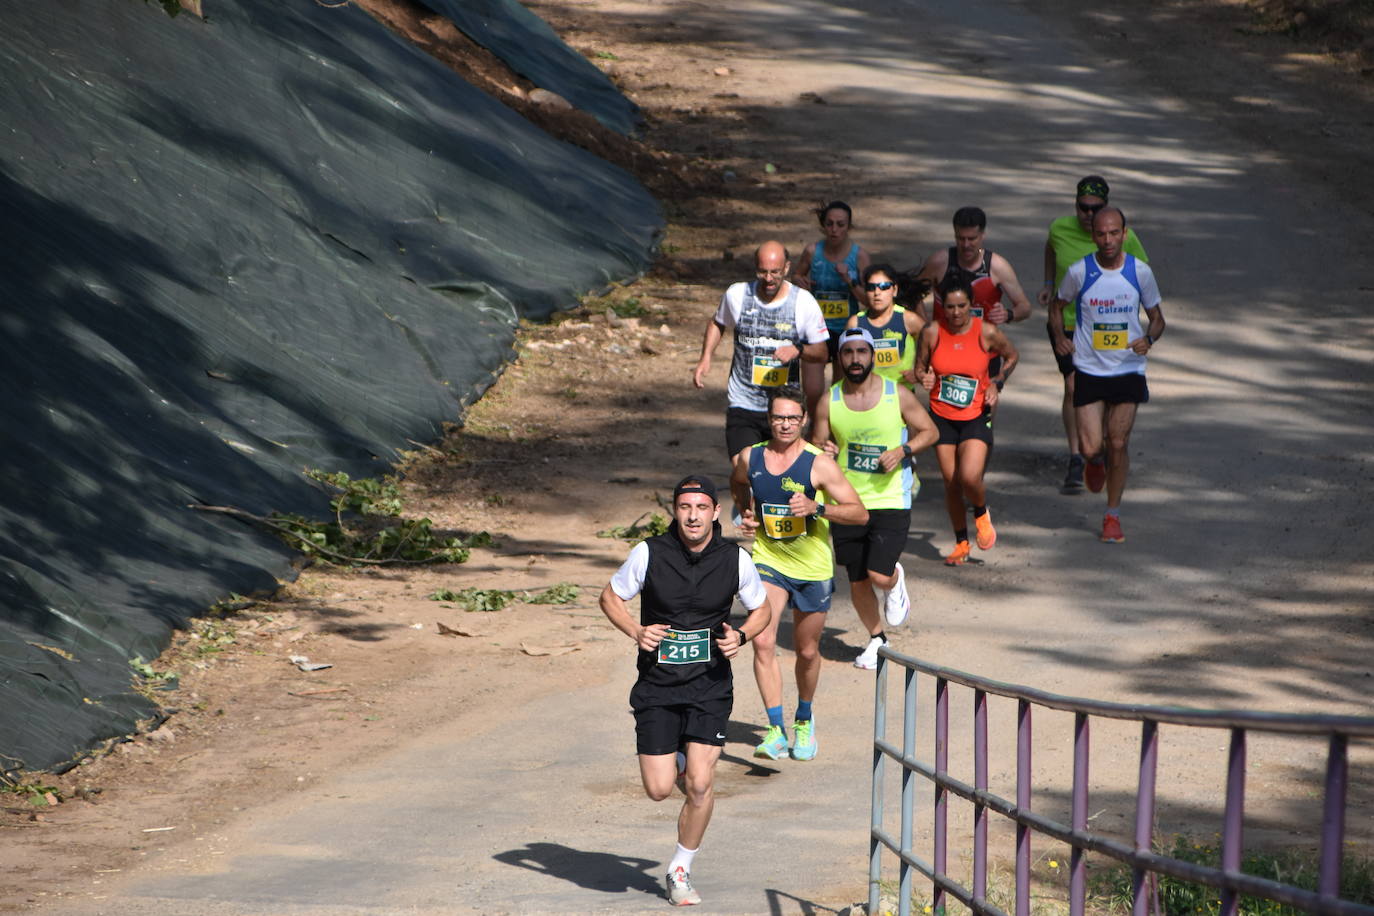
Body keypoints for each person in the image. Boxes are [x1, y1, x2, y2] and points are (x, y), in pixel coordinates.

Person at [599, 474, 772, 907]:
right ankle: (676, 755)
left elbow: (762, 608)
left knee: (699, 783)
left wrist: (743, 636)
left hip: (709, 685)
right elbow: (609, 597)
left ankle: (680, 868)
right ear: (675, 511)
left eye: (701, 508)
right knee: (659, 789)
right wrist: (636, 631)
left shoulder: (735, 559)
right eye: (684, 507)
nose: (692, 516)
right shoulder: (649, 553)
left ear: (715, 512)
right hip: (657, 686)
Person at [729, 385, 868, 762]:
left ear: (804, 419)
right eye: (778, 417)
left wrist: (816, 509)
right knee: (762, 640)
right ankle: (774, 730)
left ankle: (804, 719)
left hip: (812, 567)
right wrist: (745, 512)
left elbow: (859, 512)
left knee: (807, 651)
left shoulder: (818, 463)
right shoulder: (750, 456)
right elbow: (737, 481)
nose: (785, 424)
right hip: (769, 561)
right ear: (768, 419)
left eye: (793, 417)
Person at [811, 328, 939, 669]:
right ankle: (877, 638)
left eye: (861, 352)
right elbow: (815, 447)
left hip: (890, 498)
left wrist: (903, 450)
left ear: (872, 355)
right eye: (848, 353)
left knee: (878, 575)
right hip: (847, 501)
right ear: (840, 358)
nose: (855, 359)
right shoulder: (830, 400)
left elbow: (930, 431)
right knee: (857, 579)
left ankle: (894, 580)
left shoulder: (896, 395)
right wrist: (826, 448)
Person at [1048, 207, 1164, 544]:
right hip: (1089, 367)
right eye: (1101, 234)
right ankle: (1093, 461)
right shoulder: (1079, 272)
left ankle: (1112, 515)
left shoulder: (1139, 272)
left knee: (1118, 442)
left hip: (1127, 368)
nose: (1108, 239)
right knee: (1089, 447)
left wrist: (1149, 339)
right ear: (1093, 236)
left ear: (1124, 233)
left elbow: (1158, 317)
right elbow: (1057, 305)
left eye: (1114, 233)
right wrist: (1060, 338)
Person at [1037, 176, 1149, 493]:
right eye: (1083, 208)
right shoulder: (1060, 228)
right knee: (1073, 387)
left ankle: (1098, 449)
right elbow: (1050, 249)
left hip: (1104, 325)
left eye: (1095, 209)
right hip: (1067, 322)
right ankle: (1079, 456)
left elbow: (1141, 273)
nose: (1088, 215)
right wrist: (1049, 284)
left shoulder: (1122, 236)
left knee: (1098, 394)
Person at [916, 277, 1019, 566]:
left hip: (975, 415)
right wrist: (924, 376)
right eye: (950, 307)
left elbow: (1012, 356)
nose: (956, 313)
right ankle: (961, 543)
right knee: (951, 482)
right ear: (942, 307)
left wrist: (997, 382)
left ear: (971, 305)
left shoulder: (986, 332)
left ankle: (981, 513)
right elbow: (919, 366)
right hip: (942, 416)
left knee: (970, 477)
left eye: (962, 306)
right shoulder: (932, 332)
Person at [694, 241, 830, 455]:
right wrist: (706, 357)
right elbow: (718, 322)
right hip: (744, 402)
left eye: (775, 272)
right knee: (743, 467)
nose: (768, 279)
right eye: (762, 272)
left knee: (781, 475)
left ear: (786, 268)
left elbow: (822, 353)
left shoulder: (803, 303)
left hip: (785, 407)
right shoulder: (737, 295)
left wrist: (799, 351)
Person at [790, 201, 872, 389]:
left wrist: (850, 281)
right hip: (815, 328)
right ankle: (812, 417)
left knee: (841, 390)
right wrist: (800, 281)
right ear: (823, 226)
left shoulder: (860, 257)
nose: (834, 230)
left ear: (849, 227)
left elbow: (870, 300)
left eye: (840, 225)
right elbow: (796, 275)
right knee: (812, 390)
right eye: (829, 224)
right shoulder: (812, 252)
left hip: (846, 329)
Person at [916, 206, 1034, 327]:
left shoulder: (997, 266)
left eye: (972, 239)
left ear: (982, 235)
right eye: (961, 238)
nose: (966, 245)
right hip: (945, 341)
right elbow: (912, 294)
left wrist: (1008, 314)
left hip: (984, 342)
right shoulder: (939, 262)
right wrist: (925, 327)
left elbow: (1025, 307)